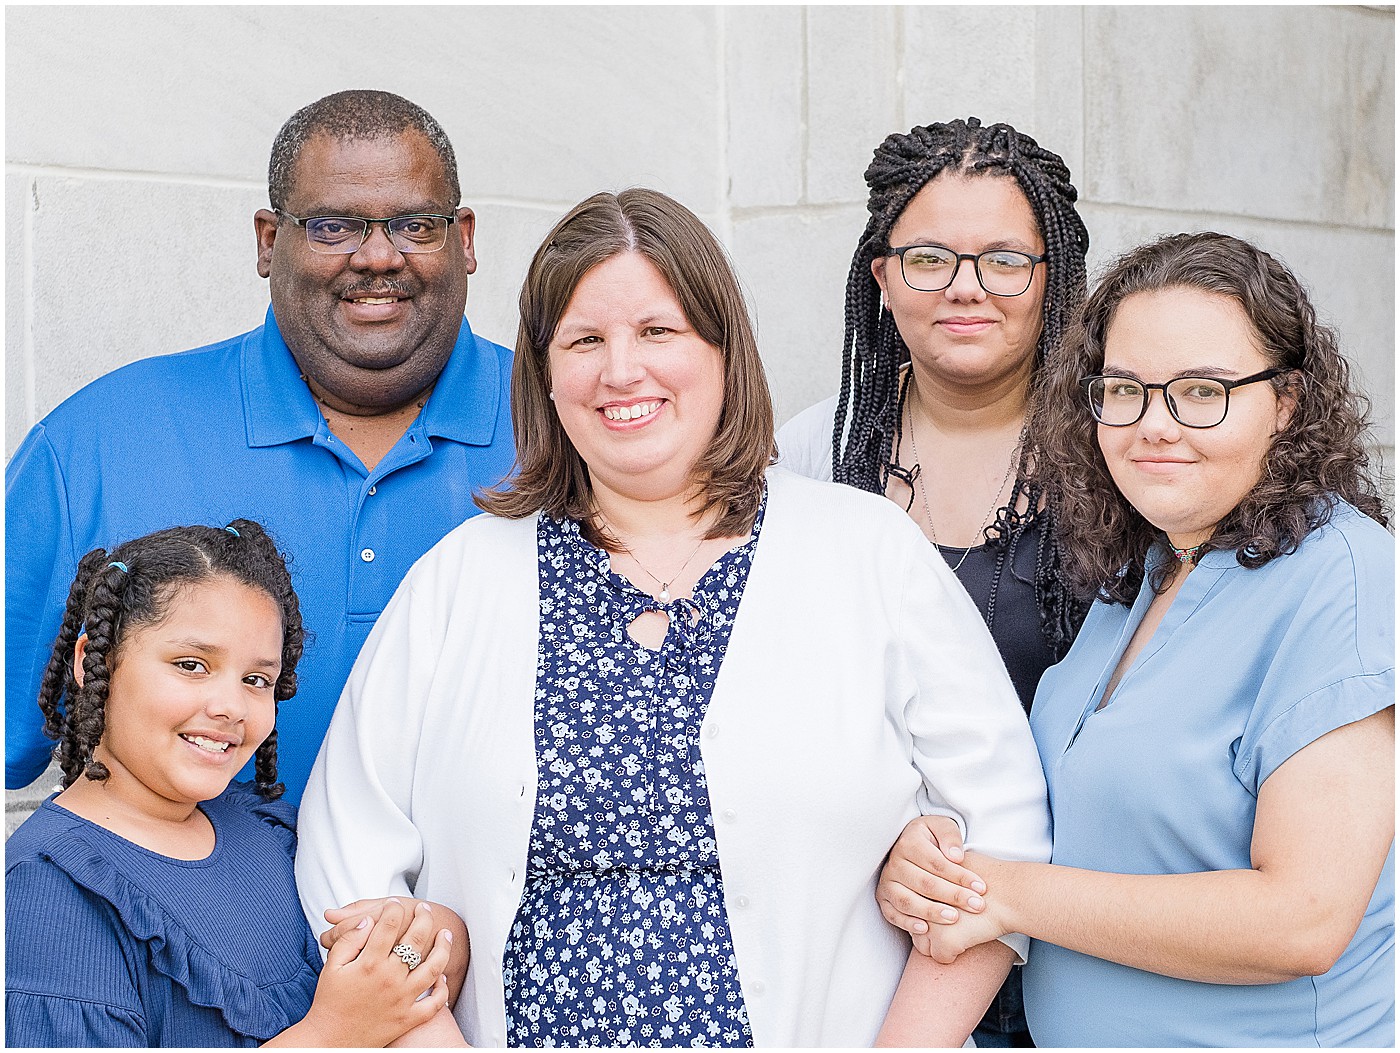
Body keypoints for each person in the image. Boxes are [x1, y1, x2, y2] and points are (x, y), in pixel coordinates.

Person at [295, 187, 1054, 1047]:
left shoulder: (866, 551)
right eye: (585, 340)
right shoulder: (461, 579)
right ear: (545, 373)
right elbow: (347, 862)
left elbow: (1002, 836)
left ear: (723, 349)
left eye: (659, 332)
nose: (622, 370)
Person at [877, 232, 1394, 1046]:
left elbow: (1303, 917)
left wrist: (1005, 893)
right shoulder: (1149, 567)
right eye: (1124, 389)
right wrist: (931, 852)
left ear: (1287, 400)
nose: (1155, 425)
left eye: (1201, 391)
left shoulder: (1343, 578)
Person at [6, 89, 515, 803]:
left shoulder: (576, 433)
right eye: (333, 226)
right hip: (177, 914)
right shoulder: (96, 441)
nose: (376, 256)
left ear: (463, 239)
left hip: (499, 916)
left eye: (414, 225)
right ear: (269, 242)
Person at [777, 116, 1090, 1044]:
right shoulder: (809, 455)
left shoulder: (1120, 458)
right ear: (881, 276)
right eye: (928, 258)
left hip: (1077, 944)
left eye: (1004, 259)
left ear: (1053, 276)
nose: (965, 288)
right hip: (876, 947)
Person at [5, 521, 464, 1047]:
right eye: (192, 665)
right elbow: (354, 1024)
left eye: (256, 680)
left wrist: (425, 934)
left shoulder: (270, 833)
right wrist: (334, 1033)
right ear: (94, 662)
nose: (230, 708)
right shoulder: (50, 890)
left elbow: (423, 985)